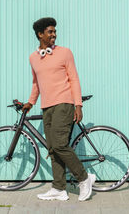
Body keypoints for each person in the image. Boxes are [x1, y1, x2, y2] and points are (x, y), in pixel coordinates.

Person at [22, 17, 96, 201]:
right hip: (47, 106)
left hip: (64, 103)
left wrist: (78, 104)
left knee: (60, 145)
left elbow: (74, 79)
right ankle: (59, 188)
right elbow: (36, 84)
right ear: (40, 35)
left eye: (54, 31)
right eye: (50, 31)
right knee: (52, 148)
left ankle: (84, 178)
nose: (54, 34)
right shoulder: (33, 58)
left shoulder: (65, 53)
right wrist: (30, 103)